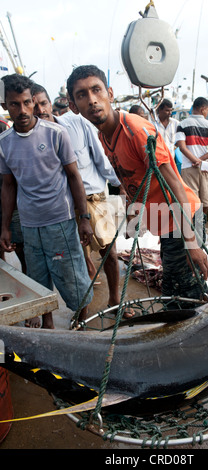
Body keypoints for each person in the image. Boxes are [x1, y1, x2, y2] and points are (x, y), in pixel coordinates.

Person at [66, 65, 208, 304]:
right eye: (82, 95)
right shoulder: (104, 136)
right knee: (185, 290)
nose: (92, 100)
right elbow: (131, 182)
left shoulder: (135, 130)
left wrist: (191, 242)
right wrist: (137, 223)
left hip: (184, 217)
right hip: (166, 221)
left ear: (109, 94)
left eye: (96, 90)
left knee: (182, 296)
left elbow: (174, 183)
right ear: (73, 106)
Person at [32, 83, 134, 317]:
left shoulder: (77, 123)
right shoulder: (35, 139)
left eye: (43, 103)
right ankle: (83, 312)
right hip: (66, 205)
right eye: (34, 105)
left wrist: (121, 187)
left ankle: (115, 301)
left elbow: (100, 158)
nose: (39, 110)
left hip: (96, 197)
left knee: (110, 253)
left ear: (51, 104)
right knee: (78, 261)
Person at [0, 73, 94, 328]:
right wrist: (6, 227)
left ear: (33, 100)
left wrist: (83, 218)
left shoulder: (55, 134)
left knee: (72, 276)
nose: (23, 110)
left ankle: (82, 320)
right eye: (14, 104)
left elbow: (74, 177)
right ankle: (48, 322)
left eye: (27, 102)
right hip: (30, 225)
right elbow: (9, 185)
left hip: (60, 221)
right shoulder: (4, 143)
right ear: (4, 105)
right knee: (37, 276)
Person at [175, 97, 208, 220]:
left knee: (190, 199)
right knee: (205, 199)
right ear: (202, 109)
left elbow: (182, 147)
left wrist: (195, 160)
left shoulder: (182, 124)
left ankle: (190, 226)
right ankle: (202, 225)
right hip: (204, 167)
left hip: (188, 167)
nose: (207, 113)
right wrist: (201, 160)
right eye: (207, 110)